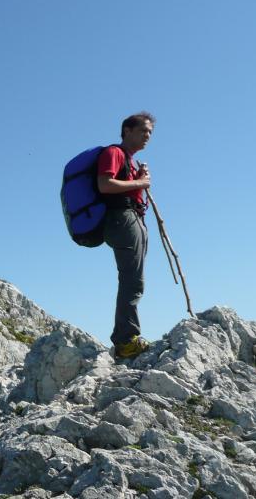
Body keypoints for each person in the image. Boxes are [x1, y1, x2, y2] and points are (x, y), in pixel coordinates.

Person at [97, 112, 154, 359]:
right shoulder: (114, 153)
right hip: (122, 218)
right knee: (132, 280)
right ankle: (125, 341)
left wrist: (139, 178)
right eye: (143, 131)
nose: (147, 136)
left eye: (150, 132)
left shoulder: (129, 161)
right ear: (127, 131)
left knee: (135, 279)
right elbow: (105, 184)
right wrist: (140, 184)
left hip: (133, 218)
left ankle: (126, 337)